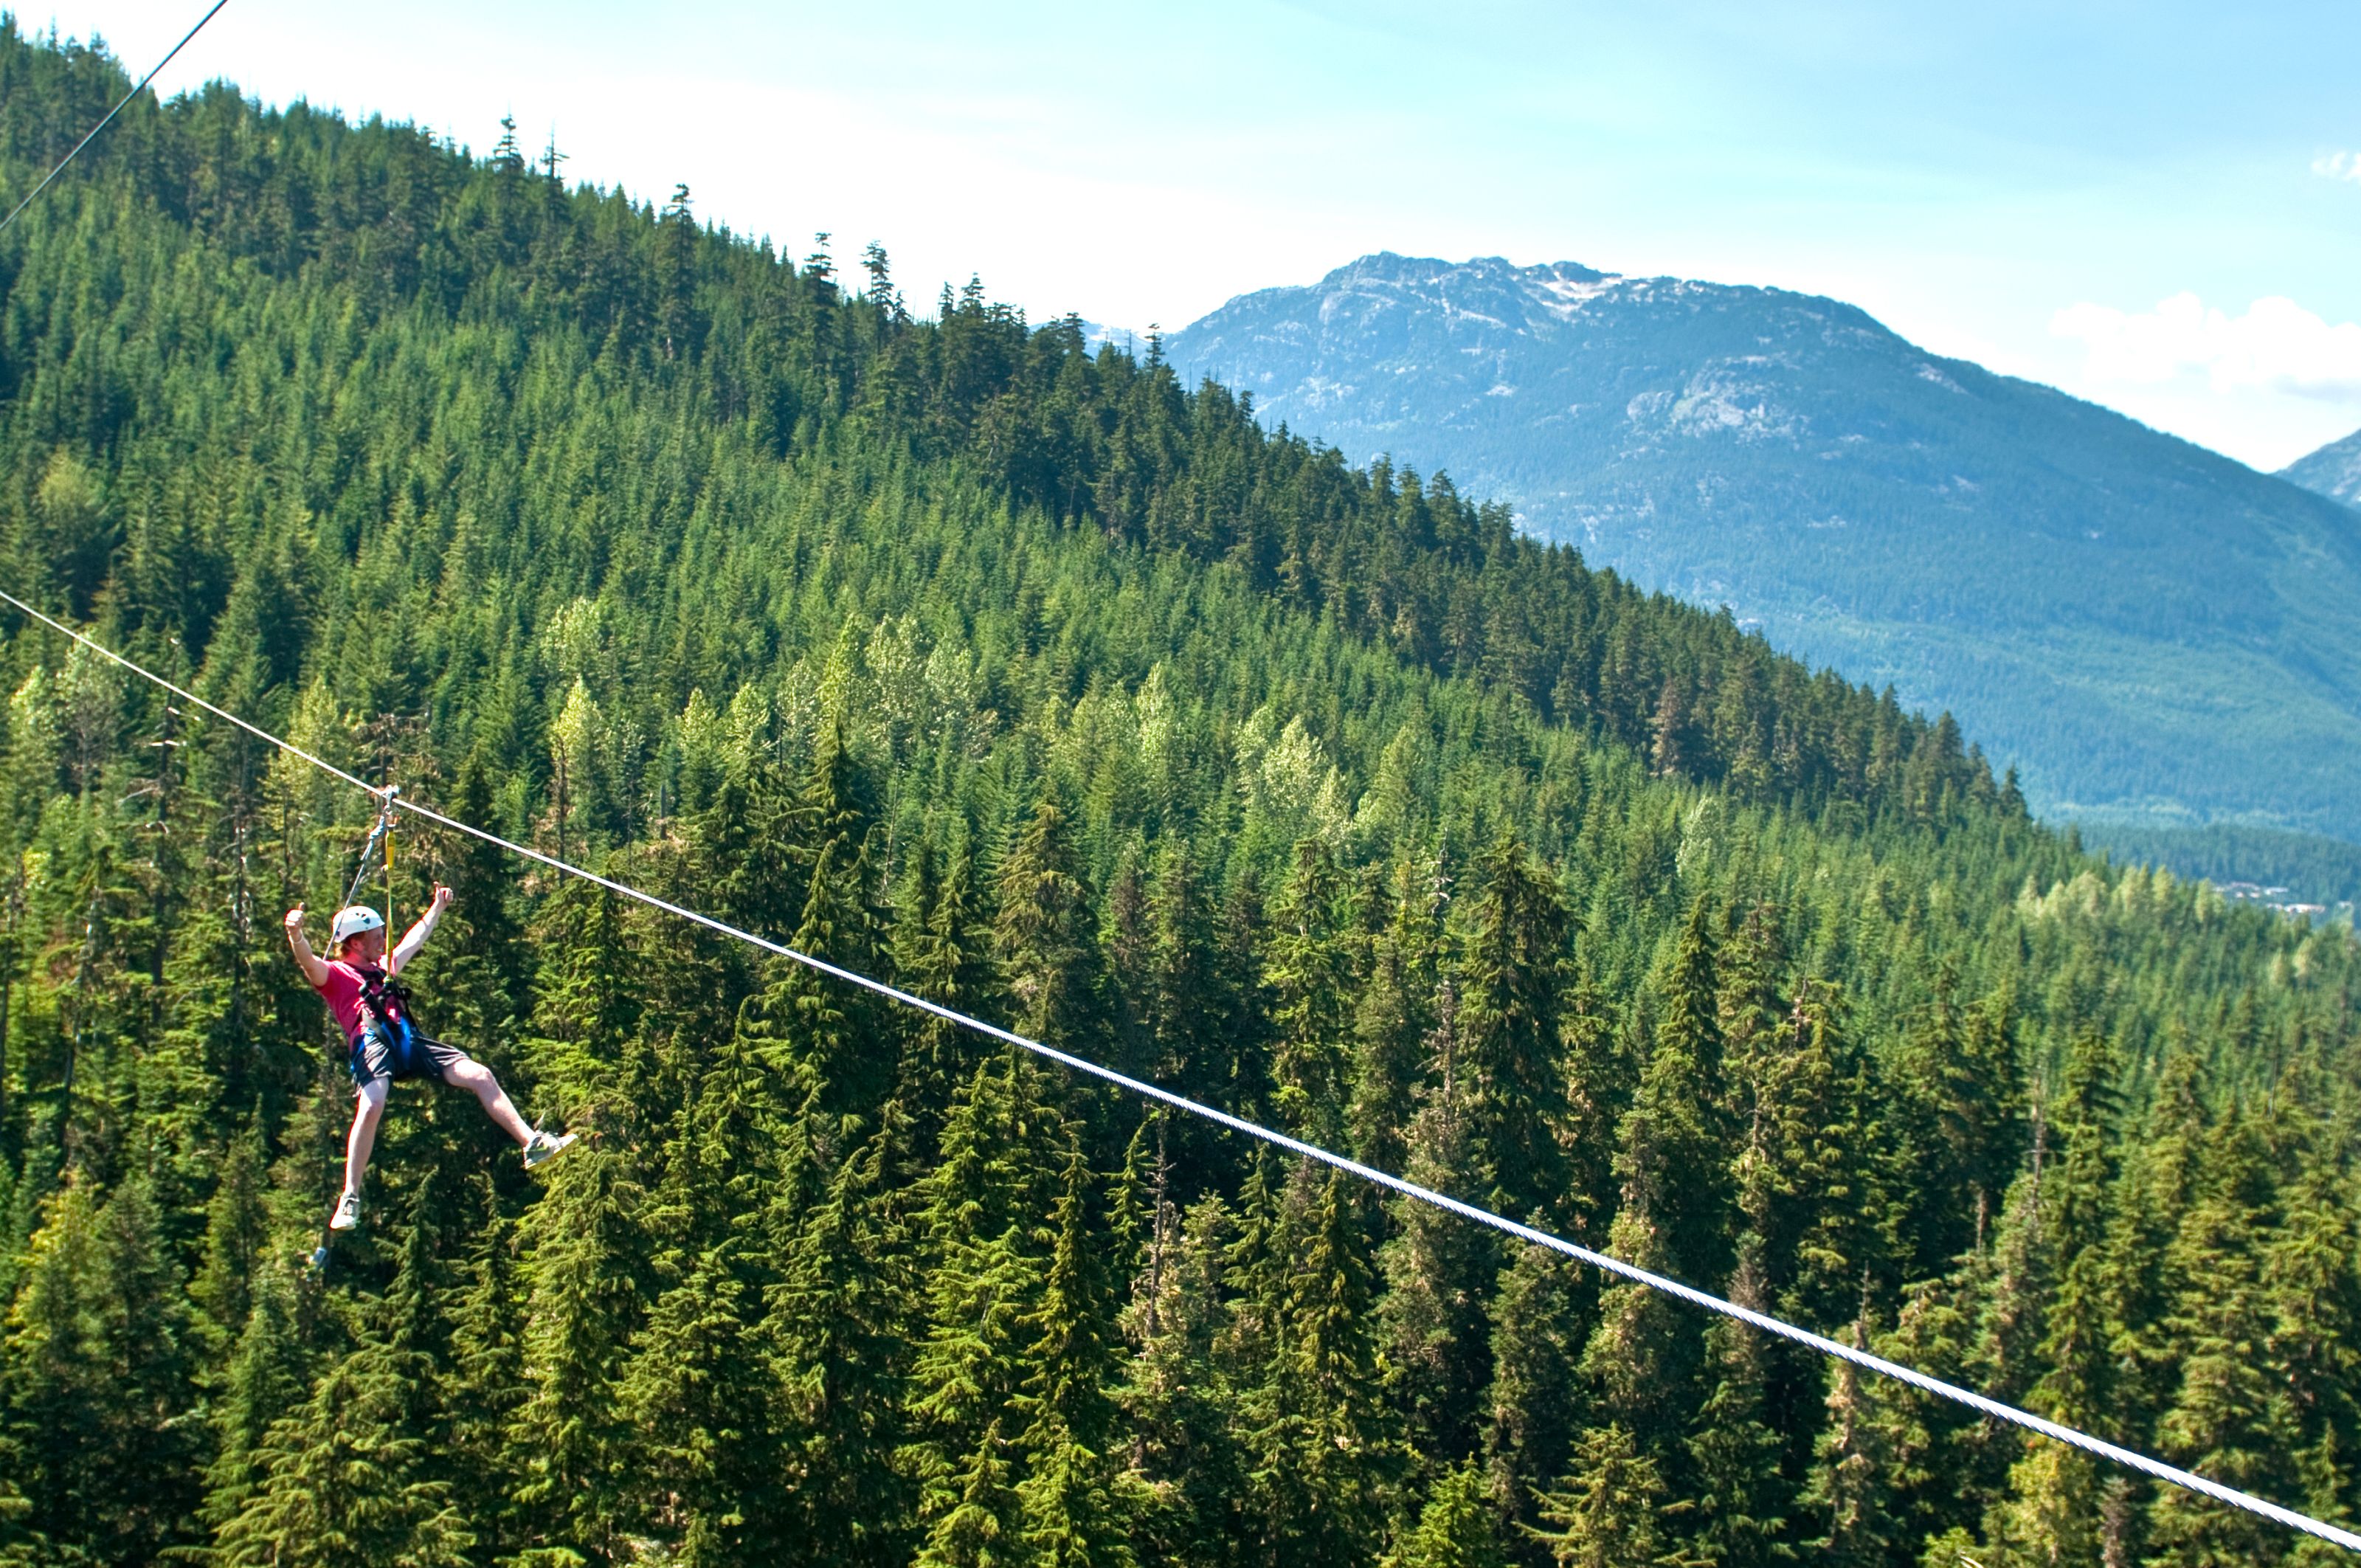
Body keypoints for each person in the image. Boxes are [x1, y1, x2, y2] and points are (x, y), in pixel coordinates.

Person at [285, 885, 574, 1231]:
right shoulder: (335, 976)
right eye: (377, 937)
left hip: (408, 1041)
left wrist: (437, 908)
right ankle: (350, 1196)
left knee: (480, 1076)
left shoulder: (384, 967)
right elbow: (308, 962)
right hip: (371, 1043)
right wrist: (296, 934)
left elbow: (414, 939)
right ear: (356, 943)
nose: (383, 941)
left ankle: (532, 1143)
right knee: (372, 1104)